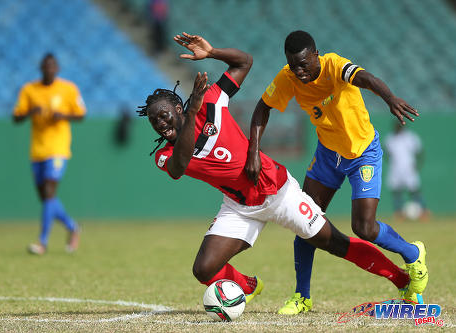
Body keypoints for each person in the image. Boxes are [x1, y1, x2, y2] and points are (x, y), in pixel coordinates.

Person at [138, 32, 424, 312]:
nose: (161, 123)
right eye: (154, 121)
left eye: (164, 115)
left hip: (277, 191)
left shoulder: (211, 101)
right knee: (203, 269)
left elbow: (244, 62)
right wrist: (191, 114)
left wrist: (212, 53)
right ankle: (249, 287)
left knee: (335, 242)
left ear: (178, 107)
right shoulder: (164, 155)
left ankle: (401, 279)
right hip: (239, 206)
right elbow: (179, 166)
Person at [244, 30, 428, 314]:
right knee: (304, 221)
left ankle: (412, 253)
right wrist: (253, 150)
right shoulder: (288, 77)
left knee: (364, 227)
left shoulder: (334, 65)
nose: (299, 71)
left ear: (316, 54)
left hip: (362, 153)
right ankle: (302, 297)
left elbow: (366, 78)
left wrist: (390, 98)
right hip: (328, 155)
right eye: (293, 65)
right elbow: (262, 108)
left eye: (304, 64)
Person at [13, 53, 86, 255]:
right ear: (41, 68)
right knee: (46, 198)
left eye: (53, 66)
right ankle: (72, 227)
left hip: (58, 149)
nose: (49, 69)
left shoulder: (68, 89)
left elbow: (81, 114)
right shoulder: (29, 90)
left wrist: (63, 115)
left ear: (58, 69)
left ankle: (42, 242)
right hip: (37, 150)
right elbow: (16, 117)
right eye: (46, 66)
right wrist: (30, 113)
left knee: (49, 191)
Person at [384, 122, 430, 221]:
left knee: (414, 190)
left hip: (409, 167)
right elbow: (386, 153)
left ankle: (423, 211)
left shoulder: (410, 137)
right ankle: (399, 213)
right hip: (395, 168)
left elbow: (419, 151)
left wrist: (418, 165)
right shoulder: (390, 138)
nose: (398, 127)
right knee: (396, 191)